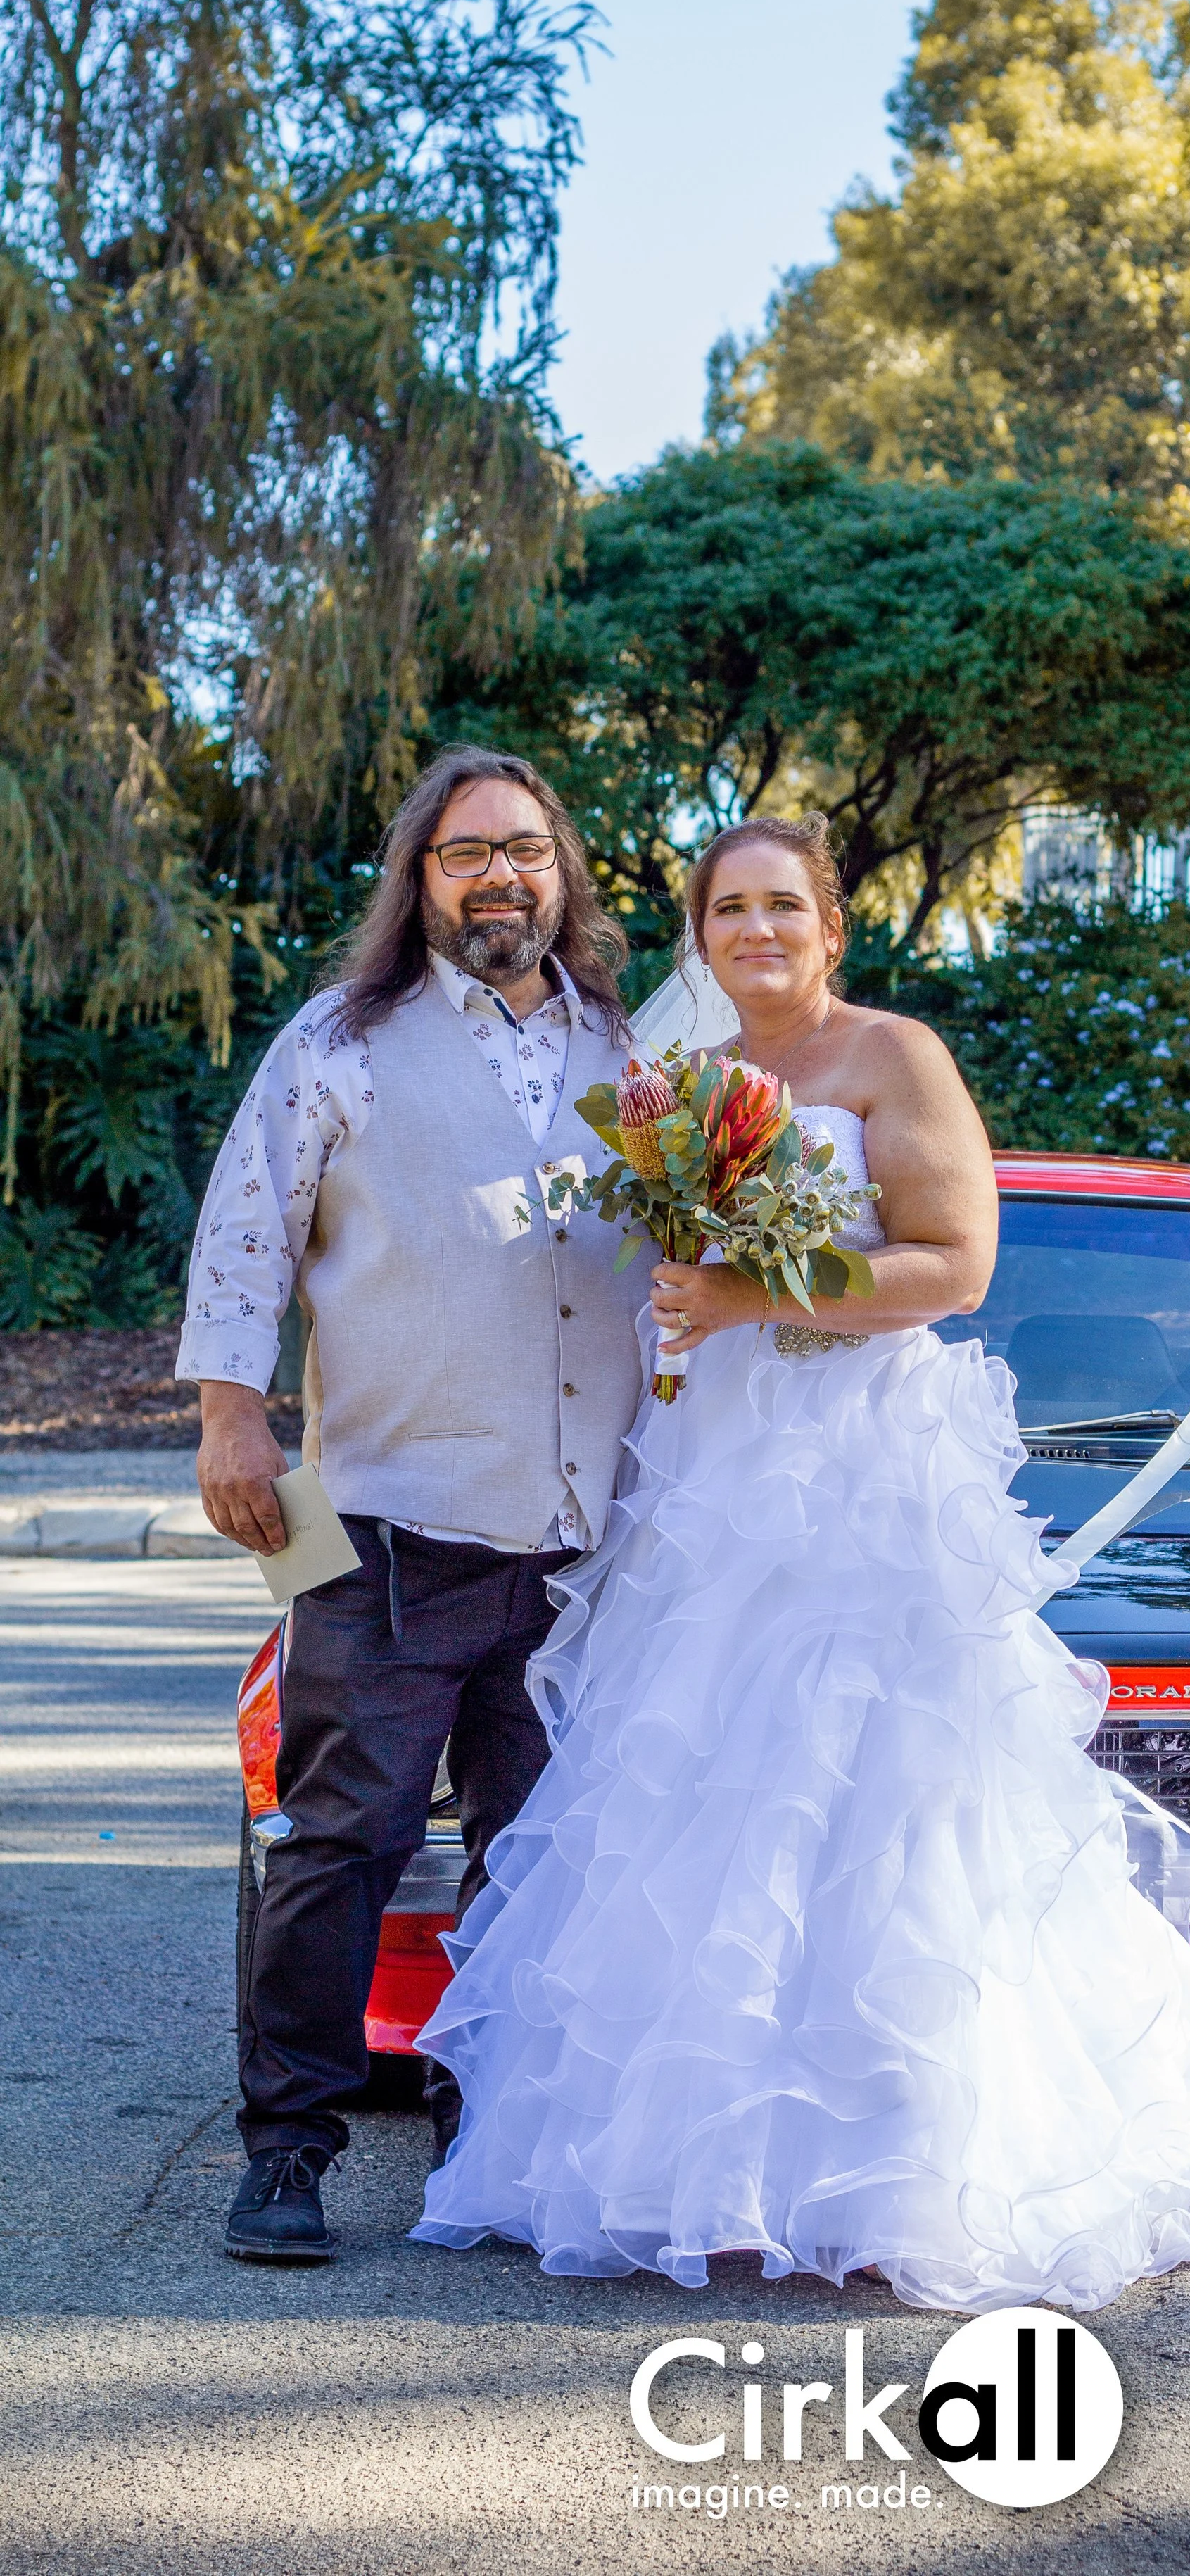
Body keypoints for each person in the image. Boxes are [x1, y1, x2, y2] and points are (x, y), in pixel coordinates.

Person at [410, 812, 1190, 2313]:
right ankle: (704, 2162)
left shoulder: (891, 1059)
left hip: (859, 1466)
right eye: (728, 909)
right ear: (699, 932)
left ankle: (905, 2152)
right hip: (721, 1469)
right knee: (706, 1784)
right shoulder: (674, 1086)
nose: (757, 931)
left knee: (885, 1794)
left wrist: (754, 1283)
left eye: (782, 905)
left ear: (831, 926)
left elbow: (955, 1265)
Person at [179, 746, 652, 2263]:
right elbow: (246, 1232)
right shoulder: (341, 1042)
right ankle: (288, 2150)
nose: (499, 876)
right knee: (340, 1844)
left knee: (537, 1851)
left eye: (524, 850)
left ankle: (489, 2114)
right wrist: (232, 1415)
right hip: (386, 1524)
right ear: (420, 882)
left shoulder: (633, 1051)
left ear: (562, 873)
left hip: (582, 1542)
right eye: (464, 856)